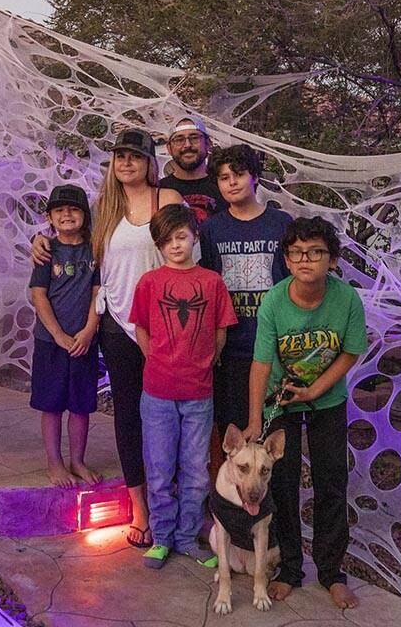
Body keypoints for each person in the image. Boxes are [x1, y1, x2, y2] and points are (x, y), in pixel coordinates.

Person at [247, 216, 368, 610]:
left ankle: (332, 573)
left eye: (315, 252)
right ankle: (291, 570)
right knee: (281, 483)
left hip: (326, 401)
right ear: (286, 260)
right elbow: (262, 363)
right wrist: (253, 419)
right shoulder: (275, 301)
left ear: (331, 260)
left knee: (331, 481)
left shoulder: (347, 299)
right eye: (297, 252)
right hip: (280, 400)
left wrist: (316, 388)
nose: (305, 260)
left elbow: (351, 349)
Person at [87, 128, 184, 548]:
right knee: (128, 416)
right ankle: (140, 511)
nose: (126, 163)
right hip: (117, 325)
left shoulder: (168, 200)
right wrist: (42, 242)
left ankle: (176, 507)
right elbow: (75, 248)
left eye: (135, 156)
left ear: (149, 162)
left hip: (164, 325)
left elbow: (186, 257)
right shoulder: (104, 207)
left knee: (169, 416)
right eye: (120, 156)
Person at [130, 204, 237, 569]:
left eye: (181, 237)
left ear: (194, 236)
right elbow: (141, 327)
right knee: (159, 468)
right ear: (158, 245)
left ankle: (188, 538)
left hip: (199, 393)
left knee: (195, 468)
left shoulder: (211, 282)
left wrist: (208, 360)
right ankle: (161, 538)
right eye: (167, 240)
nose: (175, 245)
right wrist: (155, 359)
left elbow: (221, 328)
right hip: (157, 392)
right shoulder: (148, 283)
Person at [199, 144, 292, 450]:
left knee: (275, 441)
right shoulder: (211, 230)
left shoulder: (280, 223)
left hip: (274, 348)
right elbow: (209, 286)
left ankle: (280, 500)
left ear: (254, 177)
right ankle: (235, 499)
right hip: (232, 352)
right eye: (224, 178)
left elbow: (293, 281)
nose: (232, 182)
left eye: (239, 174)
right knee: (235, 441)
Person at [28, 183, 103, 487]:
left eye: (73, 210)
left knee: (81, 405)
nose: (67, 215)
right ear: (50, 217)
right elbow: (39, 296)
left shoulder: (95, 250)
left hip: (84, 341)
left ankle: (77, 460)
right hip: (51, 342)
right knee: (52, 404)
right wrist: (57, 333)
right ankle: (55, 462)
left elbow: (99, 292)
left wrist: (88, 330)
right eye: (60, 210)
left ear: (85, 215)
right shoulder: (46, 251)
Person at [157, 116, 227, 224]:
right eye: (179, 139)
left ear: (208, 144)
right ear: (169, 149)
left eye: (194, 138)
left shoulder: (227, 187)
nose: (187, 145)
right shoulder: (159, 190)